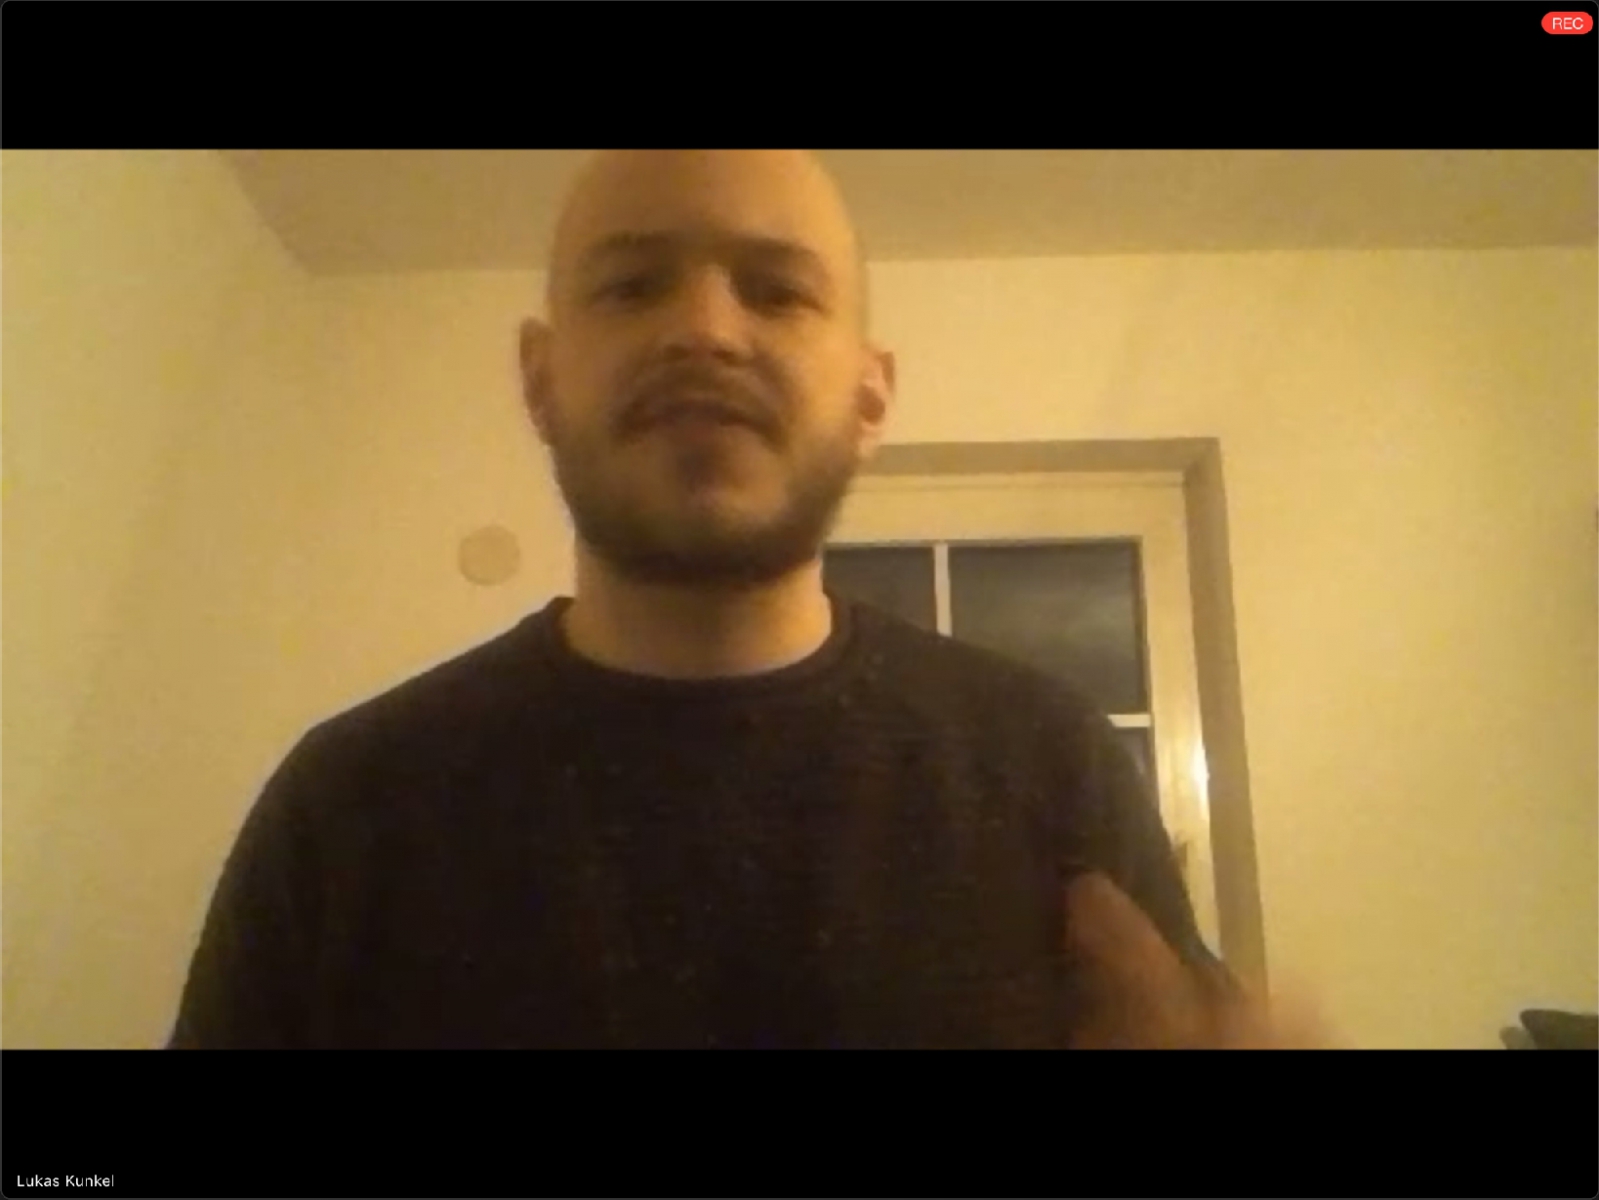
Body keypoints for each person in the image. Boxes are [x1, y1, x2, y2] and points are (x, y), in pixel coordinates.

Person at [170, 150, 1291, 1049]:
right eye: (632, 284)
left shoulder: (1052, 764)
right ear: (540, 379)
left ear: (869, 396)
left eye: (777, 290)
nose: (704, 330)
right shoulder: (345, 808)